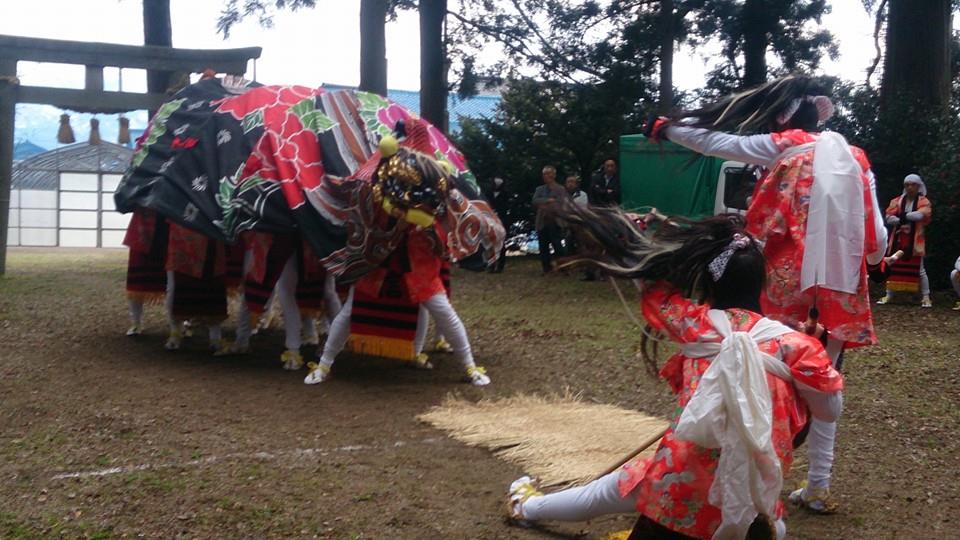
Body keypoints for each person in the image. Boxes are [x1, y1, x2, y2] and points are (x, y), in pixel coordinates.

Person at [506, 211, 843, 539]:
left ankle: (526, 507)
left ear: (708, 283)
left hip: (679, 486)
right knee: (770, 525)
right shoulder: (798, 347)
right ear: (763, 283)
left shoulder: (693, 324)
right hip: (753, 494)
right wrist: (816, 346)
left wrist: (647, 238)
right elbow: (829, 411)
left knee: (608, 490)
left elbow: (652, 289)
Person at [646, 74, 887, 513]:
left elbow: (715, 142)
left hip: (779, 286)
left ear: (785, 116)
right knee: (823, 380)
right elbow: (878, 243)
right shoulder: (857, 161)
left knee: (758, 372)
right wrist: (866, 261)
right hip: (837, 291)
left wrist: (667, 128)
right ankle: (818, 484)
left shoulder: (782, 146)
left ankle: (736, 468)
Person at [876, 174, 933, 308]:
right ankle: (889, 294)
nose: (909, 187)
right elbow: (889, 217)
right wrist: (905, 218)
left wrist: (901, 217)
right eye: (907, 185)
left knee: (920, 270)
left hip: (915, 240)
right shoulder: (897, 200)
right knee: (892, 265)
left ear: (918, 186)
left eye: (913, 185)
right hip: (898, 238)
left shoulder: (924, 201)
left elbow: (921, 215)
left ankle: (926, 296)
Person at [532, 165, 568, 274]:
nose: (545, 176)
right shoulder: (539, 189)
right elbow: (535, 201)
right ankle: (546, 268)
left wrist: (548, 203)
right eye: (544, 174)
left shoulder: (560, 189)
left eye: (548, 173)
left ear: (553, 175)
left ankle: (563, 267)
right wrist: (548, 201)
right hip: (542, 221)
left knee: (558, 246)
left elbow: (561, 202)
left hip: (555, 221)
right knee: (543, 247)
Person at [485, 177, 511, 273]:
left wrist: (498, 213)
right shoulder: (488, 193)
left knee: (501, 243)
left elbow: (506, 206)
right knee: (490, 243)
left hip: (501, 220)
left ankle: (500, 265)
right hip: (490, 220)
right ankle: (491, 264)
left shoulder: (505, 194)